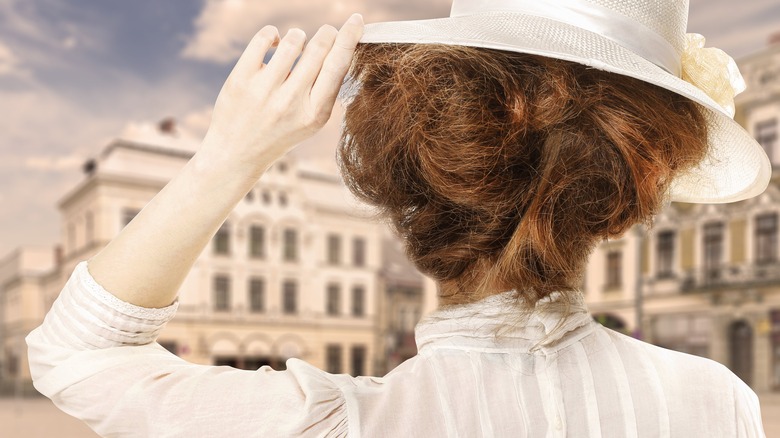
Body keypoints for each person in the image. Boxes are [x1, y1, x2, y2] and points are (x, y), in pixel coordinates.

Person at [26, 1, 767, 437]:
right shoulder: (718, 405)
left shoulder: (335, 423)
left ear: (406, 180)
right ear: (631, 194)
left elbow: (79, 358)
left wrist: (229, 155)